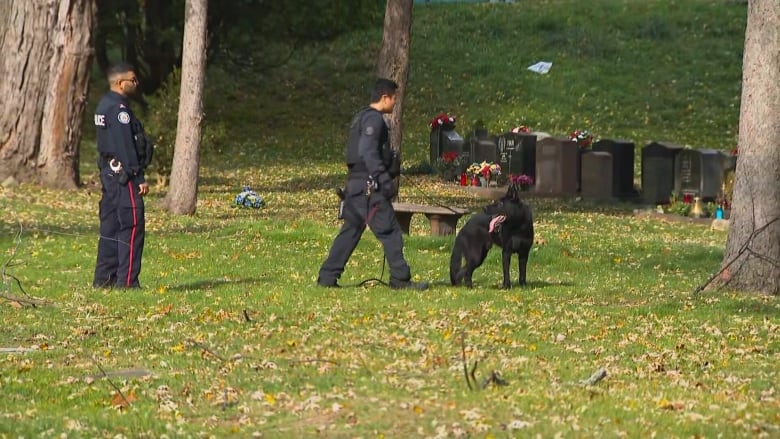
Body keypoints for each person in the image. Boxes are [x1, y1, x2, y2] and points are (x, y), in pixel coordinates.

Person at [317, 78, 428, 290]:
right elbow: (368, 151)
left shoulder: (361, 117)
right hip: (369, 187)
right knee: (390, 232)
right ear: (384, 97)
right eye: (394, 98)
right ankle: (400, 279)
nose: (395, 103)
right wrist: (384, 179)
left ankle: (327, 277)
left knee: (351, 230)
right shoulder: (374, 120)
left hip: (356, 187)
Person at [92, 63, 153, 289]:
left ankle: (104, 279)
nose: (136, 84)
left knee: (111, 225)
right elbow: (125, 146)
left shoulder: (104, 105)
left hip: (109, 172)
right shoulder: (118, 110)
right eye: (133, 80)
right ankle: (127, 282)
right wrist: (138, 177)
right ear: (120, 83)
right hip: (123, 174)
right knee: (132, 223)